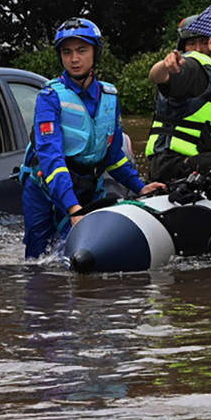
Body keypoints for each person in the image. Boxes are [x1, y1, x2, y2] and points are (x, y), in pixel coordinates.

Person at [20, 18, 164, 259]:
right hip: (45, 189)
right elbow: (51, 158)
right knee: (38, 261)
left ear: (95, 53)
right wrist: (73, 208)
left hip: (87, 187)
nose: (74, 59)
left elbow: (114, 156)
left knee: (76, 257)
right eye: (67, 52)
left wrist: (140, 187)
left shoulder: (110, 96)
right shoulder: (49, 96)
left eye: (81, 50)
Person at [146, 14, 211, 183]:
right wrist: (165, 66)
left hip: (202, 164)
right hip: (171, 163)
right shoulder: (195, 68)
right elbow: (157, 76)